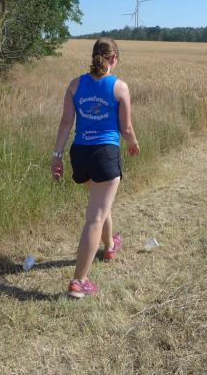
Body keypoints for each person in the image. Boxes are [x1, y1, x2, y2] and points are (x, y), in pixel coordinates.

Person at [51, 38, 140, 298]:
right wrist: (133, 143)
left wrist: (56, 156)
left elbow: (66, 122)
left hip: (80, 155)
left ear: (94, 56)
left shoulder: (75, 85)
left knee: (100, 204)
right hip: (104, 155)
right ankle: (79, 281)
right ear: (114, 58)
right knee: (95, 217)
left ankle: (110, 246)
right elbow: (126, 128)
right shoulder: (119, 87)